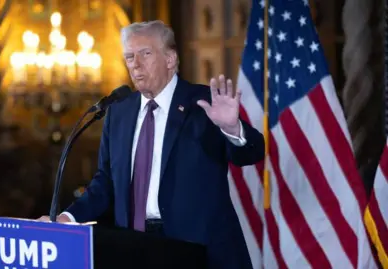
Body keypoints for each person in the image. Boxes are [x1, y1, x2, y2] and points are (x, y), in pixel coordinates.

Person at [39, 20, 264, 269]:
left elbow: (252, 153)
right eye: (129, 57)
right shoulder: (118, 111)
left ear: (170, 59)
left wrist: (232, 128)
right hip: (136, 248)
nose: (135, 64)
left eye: (145, 54)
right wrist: (66, 218)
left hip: (198, 251)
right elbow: (105, 183)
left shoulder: (204, 104)